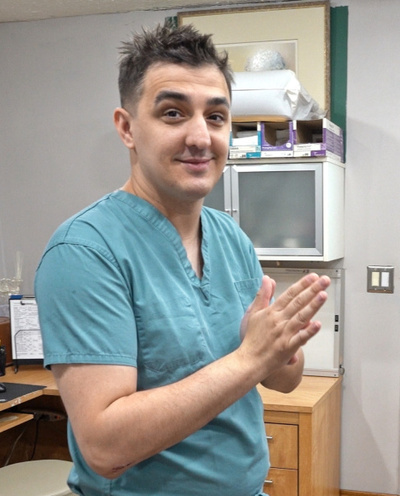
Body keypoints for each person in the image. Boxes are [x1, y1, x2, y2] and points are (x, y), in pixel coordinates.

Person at [35, 22, 330, 496]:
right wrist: (251, 358)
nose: (200, 137)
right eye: (173, 113)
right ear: (127, 128)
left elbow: (286, 380)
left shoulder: (230, 237)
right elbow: (106, 448)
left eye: (216, 117)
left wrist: (276, 348)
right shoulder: (85, 251)